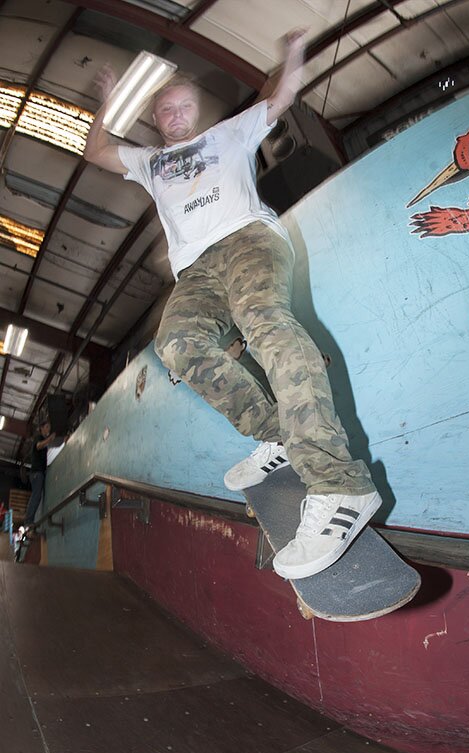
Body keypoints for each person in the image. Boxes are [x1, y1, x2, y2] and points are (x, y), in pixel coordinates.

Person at [84, 32, 380, 580]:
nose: (176, 115)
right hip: (196, 271)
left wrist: (291, 55)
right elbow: (94, 151)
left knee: (265, 324)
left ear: (197, 110)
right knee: (177, 346)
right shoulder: (149, 162)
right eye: (166, 110)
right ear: (156, 118)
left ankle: (339, 483)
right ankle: (276, 433)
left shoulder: (229, 133)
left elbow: (281, 97)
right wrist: (107, 101)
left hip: (248, 240)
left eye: (183, 106)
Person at [24, 421, 55, 528]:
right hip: (36, 473)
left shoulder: (43, 441)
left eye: (49, 427)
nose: (48, 429)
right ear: (41, 428)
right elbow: (38, 446)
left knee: (37, 496)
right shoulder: (38, 438)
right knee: (36, 496)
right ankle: (28, 521)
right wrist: (49, 439)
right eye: (46, 427)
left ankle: (30, 520)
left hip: (39, 472)